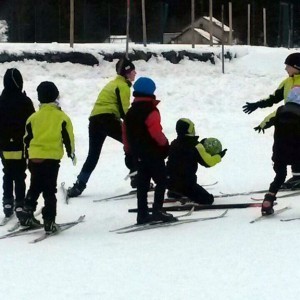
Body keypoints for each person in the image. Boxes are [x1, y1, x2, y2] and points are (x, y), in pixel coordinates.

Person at [67, 57, 137, 198]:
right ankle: (137, 178)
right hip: (108, 119)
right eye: (133, 70)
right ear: (127, 73)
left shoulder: (112, 84)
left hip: (95, 120)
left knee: (93, 155)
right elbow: (124, 112)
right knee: (132, 144)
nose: (135, 73)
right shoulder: (123, 86)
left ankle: (79, 185)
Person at [16, 81, 76, 233]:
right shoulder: (62, 117)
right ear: (56, 97)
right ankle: (49, 221)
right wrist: (71, 153)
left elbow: (26, 138)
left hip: (34, 158)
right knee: (49, 190)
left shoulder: (33, 118)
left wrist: (26, 155)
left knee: (35, 185)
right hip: (51, 159)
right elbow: (68, 137)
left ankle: (27, 213)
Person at [242, 52, 300, 189]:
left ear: (297, 66)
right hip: (290, 120)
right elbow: (273, 98)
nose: (286, 69)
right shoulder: (287, 82)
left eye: (288, 66)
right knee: (291, 147)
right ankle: (297, 177)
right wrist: (257, 105)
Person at [122, 77, 176, 224]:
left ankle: (142, 214)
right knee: (162, 180)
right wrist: (165, 145)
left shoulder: (130, 112)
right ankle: (157, 210)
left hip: (137, 155)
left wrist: (128, 152)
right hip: (153, 154)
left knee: (142, 184)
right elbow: (156, 133)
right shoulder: (151, 111)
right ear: (151, 91)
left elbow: (125, 134)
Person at [0, 68, 35, 218]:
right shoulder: (25, 101)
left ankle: (7, 202)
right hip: (21, 146)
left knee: (7, 173)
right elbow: (32, 123)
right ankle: (20, 203)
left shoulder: (0, 101)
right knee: (20, 175)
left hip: (4, 146)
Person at [166, 118, 226, 204]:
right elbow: (208, 162)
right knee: (208, 200)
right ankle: (184, 192)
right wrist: (219, 156)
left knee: (178, 180)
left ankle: (174, 192)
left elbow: (185, 153)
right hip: (186, 184)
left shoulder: (174, 143)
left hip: (169, 182)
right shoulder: (196, 146)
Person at [261, 86, 300, 215]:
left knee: (279, 177)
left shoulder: (280, 110)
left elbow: (270, 122)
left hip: (279, 152)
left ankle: (268, 201)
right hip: (297, 152)